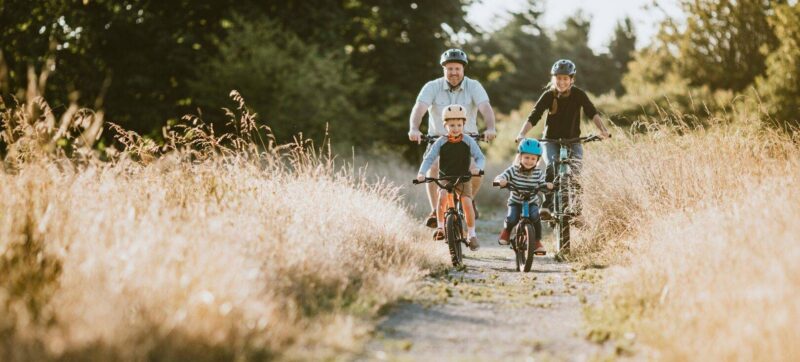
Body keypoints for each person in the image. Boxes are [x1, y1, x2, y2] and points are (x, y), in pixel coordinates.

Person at [409, 48, 497, 228]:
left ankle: (469, 198)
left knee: (475, 169)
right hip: (438, 139)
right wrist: (414, 128)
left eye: (457, 68)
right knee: (433, 167)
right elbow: (420, 108)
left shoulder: (474, 86)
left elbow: (485, 107)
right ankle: (435, 211)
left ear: (463, 69)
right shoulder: (432, 87)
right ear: (444, 69)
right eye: (449, 69)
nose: (453, 72)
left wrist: (490, 127)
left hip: (467, 138)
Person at [515, 59, 610, 218]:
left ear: (572, 79)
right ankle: (547, 205)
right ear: (554, 79)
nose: (562, 82)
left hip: (573, 141)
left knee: (576, 172)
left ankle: (577, 209)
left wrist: (603, 130)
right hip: (551, 141)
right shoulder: (548, 95)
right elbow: (535, 115)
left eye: (565, 78)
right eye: (558, 78)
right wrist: (521, 134)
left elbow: (591, 112)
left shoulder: (578, 94)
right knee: (552, 166)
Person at [417, 104, 485, 251]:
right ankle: (441, 228)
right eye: (452, 125)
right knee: (441, 198)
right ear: (445, 125)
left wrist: (478, 168)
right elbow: (429, 159)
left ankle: (472, 234)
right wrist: (422, 173)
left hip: (463, 177)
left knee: (467, 202)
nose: (456, 128)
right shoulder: (440, 141)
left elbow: (480, 157)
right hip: (445, 177)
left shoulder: (468, 140)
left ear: (464, 124)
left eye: (459, 125)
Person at [493, 138, 552, 255]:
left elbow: (542, 184)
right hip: (515, 202)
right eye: (526, 157)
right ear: (520, 157)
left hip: (531, 202)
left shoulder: (538, 173)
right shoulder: (513, 170)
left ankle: (536, 241)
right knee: (512, 218)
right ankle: (507, 231)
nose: (529, 161)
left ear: (537, 160)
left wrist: (547, 185)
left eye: (533, 158)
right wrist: (501, 181)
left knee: (536, 218)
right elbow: (501, 176)